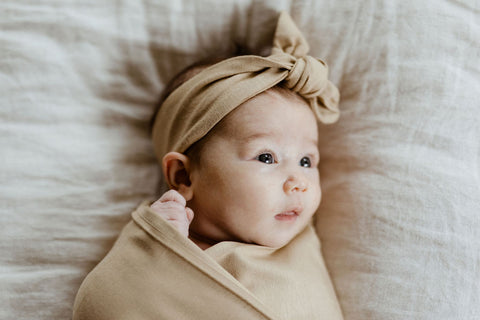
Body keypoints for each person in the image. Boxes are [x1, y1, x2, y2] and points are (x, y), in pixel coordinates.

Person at [73, 11, 343, 320]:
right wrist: (159, 254)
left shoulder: (300, 241)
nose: (299, 181)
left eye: (307, 160)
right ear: (184, 175)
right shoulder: (162, 244)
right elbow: (101, 305)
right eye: (266, 157)